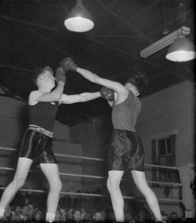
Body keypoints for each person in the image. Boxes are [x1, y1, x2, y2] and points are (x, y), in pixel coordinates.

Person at [60, 58, 163, 222]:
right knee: (143, 186)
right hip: (136, 141)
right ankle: (159, 218)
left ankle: (120, 219)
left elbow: (94, 78)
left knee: (112, 184)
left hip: (121, 138)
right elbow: (118, 108)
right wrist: (109, 98)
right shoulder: (137, 102)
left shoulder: (121, 90)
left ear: (127, 85)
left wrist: (76, 68)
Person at [0, 66, 101, 222]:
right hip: (33, 138)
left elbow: (81, 97)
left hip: (47, 143)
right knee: (19, 181)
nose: (54, 78)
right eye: (51, 76)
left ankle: (50, 220)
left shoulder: (56, 97)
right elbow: (57, 94)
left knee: (56, 185)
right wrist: (62, 81)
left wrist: (101, 93)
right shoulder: (35, 94)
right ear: (42, 79)